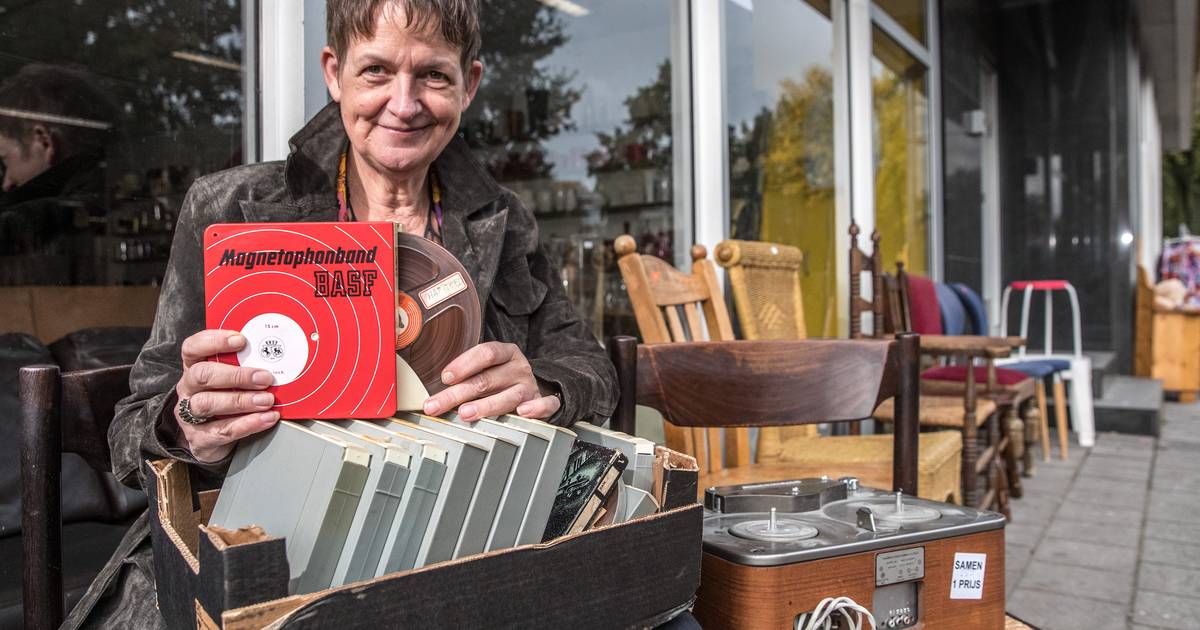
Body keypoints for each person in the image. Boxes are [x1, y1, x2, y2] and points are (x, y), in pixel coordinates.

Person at [65, 1, 618, 627]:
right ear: (334, 73)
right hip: (259, 553)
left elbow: (589, 366)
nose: (404, 104)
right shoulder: (230, 207)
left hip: (448, 547)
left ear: (470, 84)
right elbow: (131, 431)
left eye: (433, 75)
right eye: (376, 70)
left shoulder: (504, 220)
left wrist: (543, 385)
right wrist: (187, 422)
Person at [0, 63, 116, 285]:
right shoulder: (111, 195)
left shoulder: (39, 218)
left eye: (5, 160)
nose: (7, 182)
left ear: (43, 141)